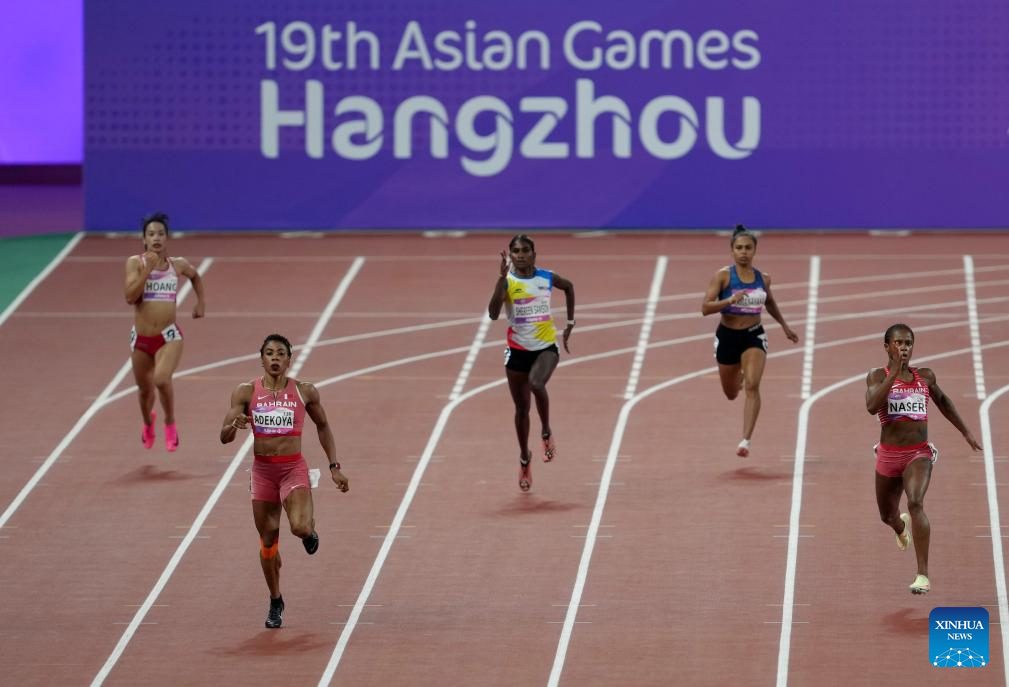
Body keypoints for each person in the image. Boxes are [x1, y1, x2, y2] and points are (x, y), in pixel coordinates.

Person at [220, 333, 350, 628]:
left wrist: (334, 466)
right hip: (263, 473)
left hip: (292, 469)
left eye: (280, 353)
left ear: (289, 360)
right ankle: (276, 600)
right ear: (262, 359)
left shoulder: (305, 391)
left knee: (300, 527)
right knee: (268, 543)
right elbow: (224, 436)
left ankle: (309, 533)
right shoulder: (245, 392)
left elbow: (323, 425)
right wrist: (234, 426)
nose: (275, 358)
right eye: (269, 353)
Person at [865, 323, 981, 595]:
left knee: (916, 502)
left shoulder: (925, 376)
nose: (904, 348)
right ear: (887, 347)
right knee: (887, 515)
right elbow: (871, 406)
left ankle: (922, 575)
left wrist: (965, 432)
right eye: (898, 343)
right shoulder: (876, 376)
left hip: (918, 454)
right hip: (889, 454)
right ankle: (900, 527)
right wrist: (894, 373)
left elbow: (944, 402)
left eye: (908, 343)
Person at [702, 224, 798, 457]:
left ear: (755, 250)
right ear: (732, 251)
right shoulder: (723, 276)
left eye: (748, 248)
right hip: (727, 337)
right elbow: (705, 308)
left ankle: (745, 441)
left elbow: (770, 302)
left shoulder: (763, 279)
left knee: (753, 386)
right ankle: (740, 375)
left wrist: (784, 326)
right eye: (739, 248)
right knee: (731, 393)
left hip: (753, 335)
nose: (743, 252)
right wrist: (729, 300)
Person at [488, 234, 575, 492]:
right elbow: (492, 314)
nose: (520, 255)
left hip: (546, 348)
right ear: (510, 256)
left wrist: (570, 323)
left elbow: (569, 287)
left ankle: (546, 432)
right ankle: (525, 458)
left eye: (525, 250)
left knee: (537, 383)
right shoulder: (507, 282)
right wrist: (501, 279)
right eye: (515, 251)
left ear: (534, 254)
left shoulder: (547, 277)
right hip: (517, 352)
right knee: (521, 410)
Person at [124, 211, 207, 452]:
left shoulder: (177, 265)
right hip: (141, 339)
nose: (156, 238)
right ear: (144, 239)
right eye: (151, 234)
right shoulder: (135, 263)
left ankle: (170, 422)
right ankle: (148, 424)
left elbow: (195, 276)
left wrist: (201, 302)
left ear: (166, 237)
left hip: (168, 337)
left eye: (160, 233)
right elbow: (130, 297)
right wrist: (147, 270)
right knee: (144, 392)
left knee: (161, 379)